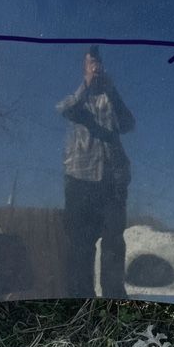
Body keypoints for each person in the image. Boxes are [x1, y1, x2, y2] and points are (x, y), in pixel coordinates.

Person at [56, 47, 135, 298]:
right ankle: (81, 304)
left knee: (113, 242)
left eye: (98, 62)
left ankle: (114, 300)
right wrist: (86, 86)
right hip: (80, 179)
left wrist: (111, 91)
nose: (95, 67)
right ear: (84, 68)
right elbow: (65, 109)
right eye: (91, 63)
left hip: (112, 181)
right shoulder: (77, 98)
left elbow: (128, 124)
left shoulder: (110, 98)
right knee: (80, 245)